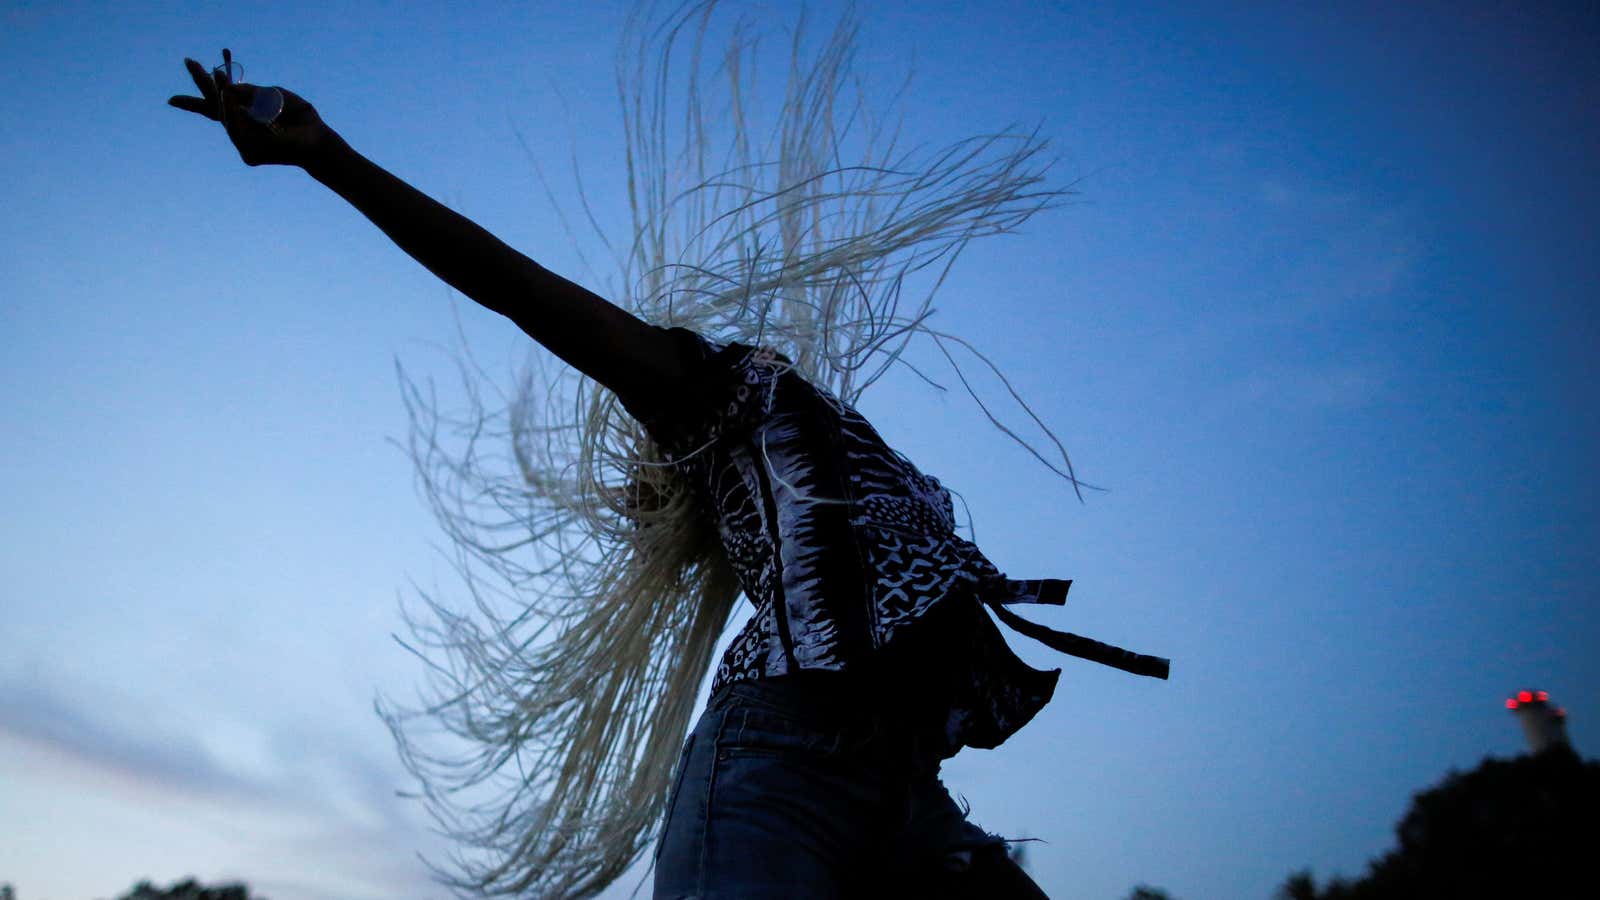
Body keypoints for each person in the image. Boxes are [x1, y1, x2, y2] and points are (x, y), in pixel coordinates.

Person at [170, 45, 1168, 900]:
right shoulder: (720, 393)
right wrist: (329, 158)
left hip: (906, 791)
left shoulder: (833, 459)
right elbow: (517, 288)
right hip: (779, 770)